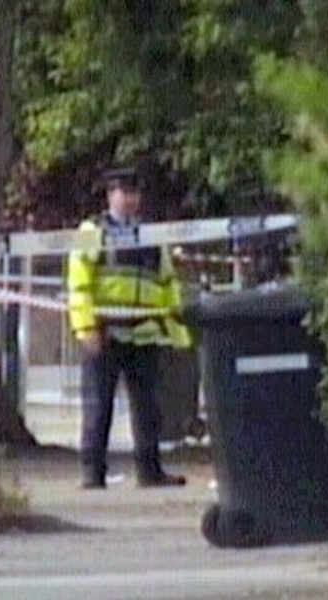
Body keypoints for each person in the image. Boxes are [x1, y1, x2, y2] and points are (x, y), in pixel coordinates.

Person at [67, 166, 192, 489]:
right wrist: (86, 328)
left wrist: (177, 334)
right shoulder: (91, 231)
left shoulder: (151, 234)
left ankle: (150, 472)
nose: (130, 199)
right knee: (98, 406)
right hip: (105, 332)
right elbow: (79, 285)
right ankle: (92, 474)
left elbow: (166, 283)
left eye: (134, 192)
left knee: (148, 409)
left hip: (144, 333)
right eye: (123, 192)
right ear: (110, 195)